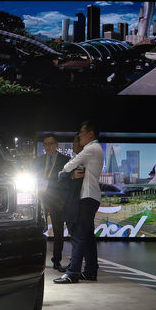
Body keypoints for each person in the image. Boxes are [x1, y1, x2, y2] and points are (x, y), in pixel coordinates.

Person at [54, 120, 104, 284]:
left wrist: (62, 173)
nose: (80, 137)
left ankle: (73, 273)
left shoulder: (90, 149)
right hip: (92, 196)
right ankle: (90, 271)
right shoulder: (96, 149)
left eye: (81, 133)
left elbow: (68, 167)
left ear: (90, 134)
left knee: (79, 236)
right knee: (88, 236)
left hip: (86, 197)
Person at [34, 133, 71, 271]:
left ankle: (57, 261)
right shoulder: (37, 161)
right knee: (36, 229)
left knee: (58, 231)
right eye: (45, 144)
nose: (47, 147)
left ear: (56, 145)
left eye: (50, 144)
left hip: (56, 200)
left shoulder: (65, 160)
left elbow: (67, 182)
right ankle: (36, 259)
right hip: (40, 199)